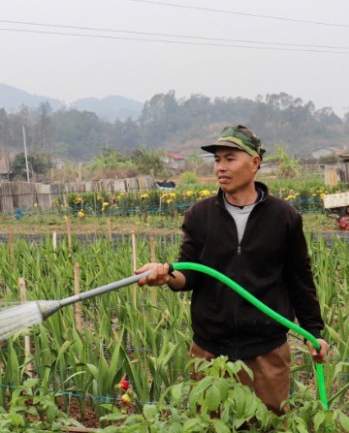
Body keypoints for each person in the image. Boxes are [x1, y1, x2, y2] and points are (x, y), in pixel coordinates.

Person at [136, 124, 328, 415]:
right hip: (210, 351)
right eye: (217, 160)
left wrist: (314, 332)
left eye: (230, 158)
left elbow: (299, 277)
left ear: (255, 163)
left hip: (266, 351)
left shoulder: (283, 217)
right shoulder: (200, 215)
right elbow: (190, 273)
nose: (220, 168)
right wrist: (166, 275)